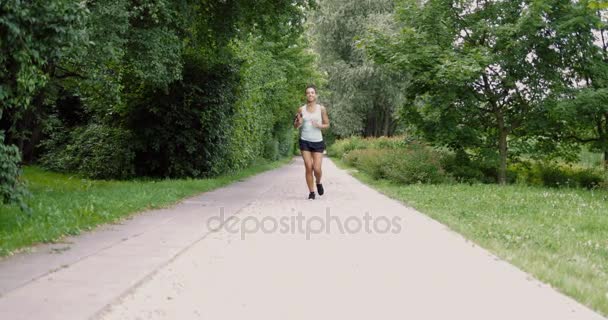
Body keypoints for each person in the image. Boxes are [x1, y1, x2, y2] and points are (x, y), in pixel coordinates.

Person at [293, 84, 330, 200]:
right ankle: (311, 192)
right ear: (306, 95)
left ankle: (318, 182)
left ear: (316, 95)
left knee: (317, 168)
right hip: (305, 141)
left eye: (312, 92)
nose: (310, 94)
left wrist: (319, 125)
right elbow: (296, 126)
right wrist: (298, 122)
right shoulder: (301, 109)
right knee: (308, 167)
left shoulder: (321, 109)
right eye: (308, 92)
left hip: (318, 141)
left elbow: (327, 124)